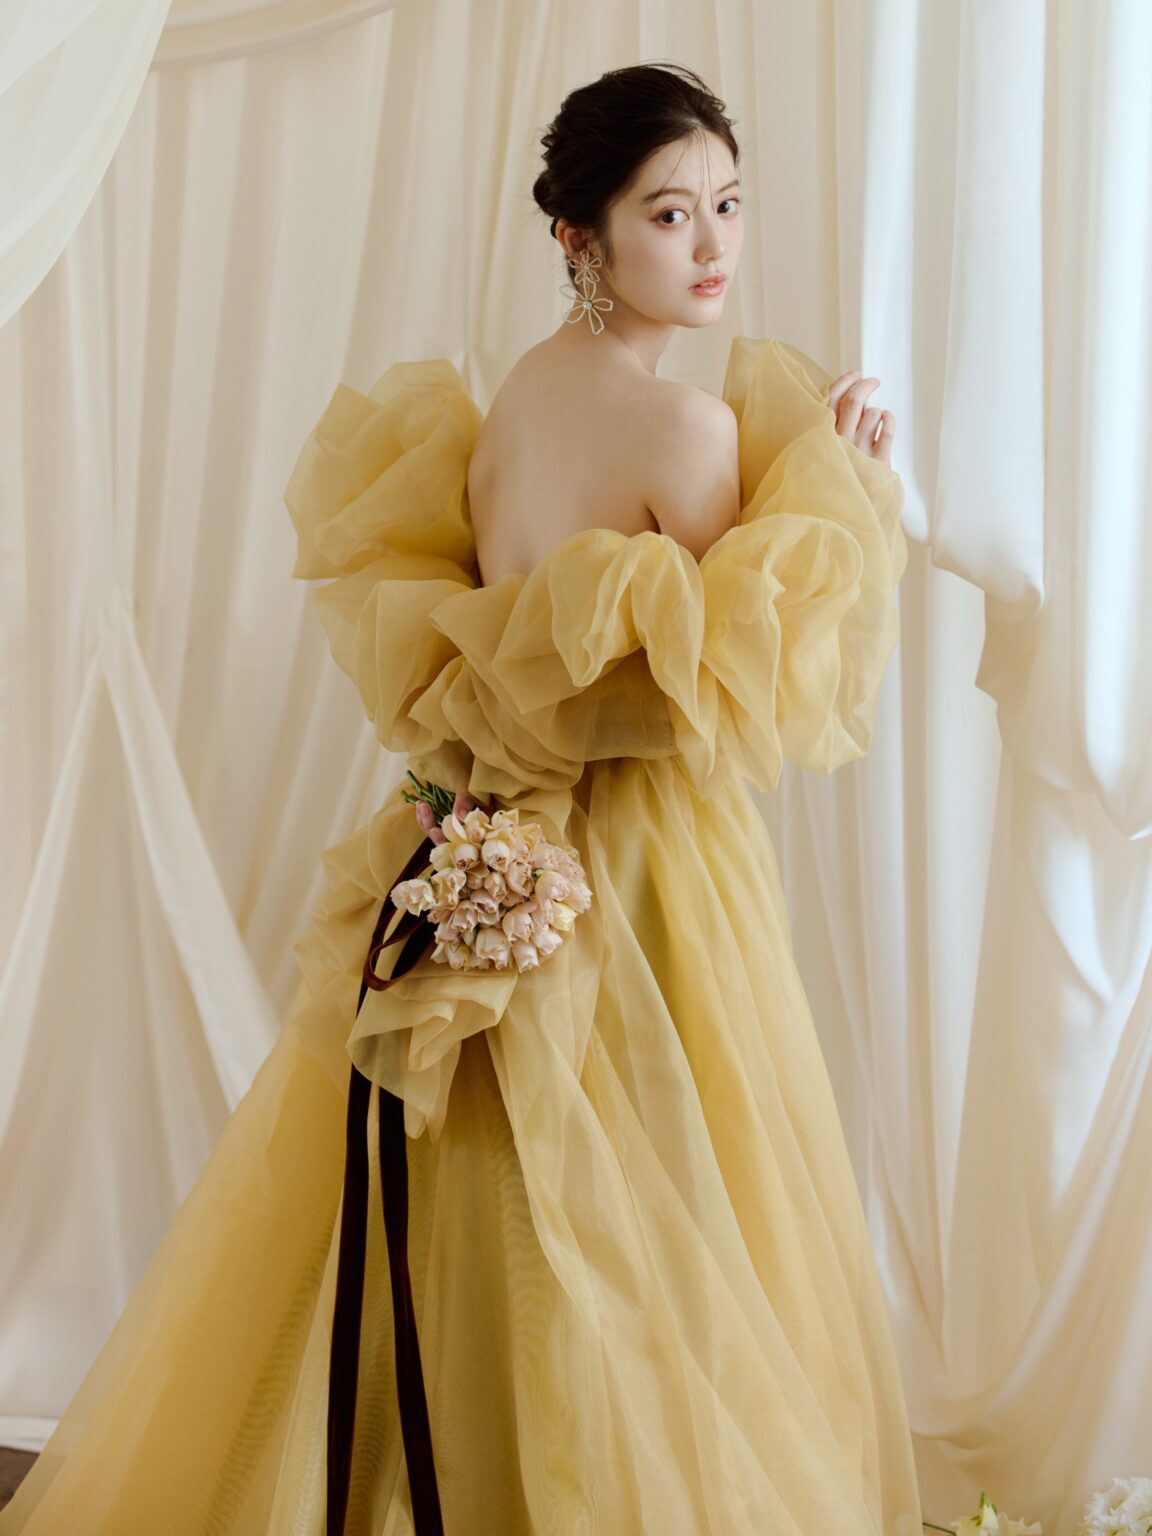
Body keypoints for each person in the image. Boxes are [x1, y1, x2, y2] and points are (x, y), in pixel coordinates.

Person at [0, 62, 922, 1536]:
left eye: (728, 204)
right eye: (668, 213)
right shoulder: (683, 431)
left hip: (478, 839)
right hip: (638, 857)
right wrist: (845, 490)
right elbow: (743, 699)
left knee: (477, 1194)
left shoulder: (516, 405)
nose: (712, 246)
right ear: (579, 234)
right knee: (654, 1204)